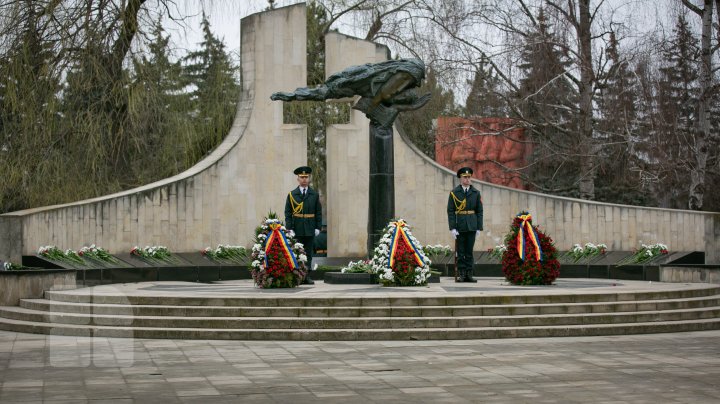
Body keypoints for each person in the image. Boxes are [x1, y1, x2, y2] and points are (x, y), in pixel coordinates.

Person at [285, 166, 322, 284]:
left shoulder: (314, 194)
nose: (304, 179)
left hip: (310, 228)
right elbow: (288, 213)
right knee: (297, 253)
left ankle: (306, 276)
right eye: (302, 177)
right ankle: (298, 276)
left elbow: (318, 212)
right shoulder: (292, 195)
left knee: (309, 253)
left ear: (309, 178)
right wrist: (289, 228)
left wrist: (318, 227)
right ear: (298, 179)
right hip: (297, 228)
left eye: (306, 177)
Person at [447, 167, 483, 283]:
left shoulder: (476, 193)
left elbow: (479, 211)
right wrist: (452, 227)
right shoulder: (454, 193)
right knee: (461, 251)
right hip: (460, 225)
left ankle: (469, 274)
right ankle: (462, 274)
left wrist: (479, 227)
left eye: (469, 177)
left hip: (472, 225)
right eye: (465, 177)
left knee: (469, 251)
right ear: (460, 178)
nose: (467, 179)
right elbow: (450, 211)